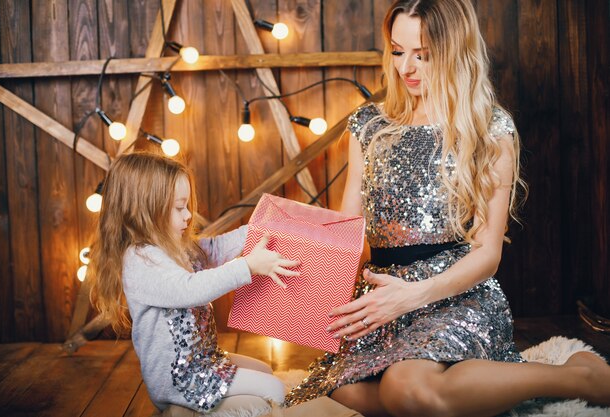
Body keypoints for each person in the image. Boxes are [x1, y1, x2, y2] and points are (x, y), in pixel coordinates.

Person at [285, 1, 610, 416]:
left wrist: (414, 296)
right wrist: (304, 277)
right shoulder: (368, 125)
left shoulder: (490, 128)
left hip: (455, 293)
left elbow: (488, 254)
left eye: (424, 54)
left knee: (405, 390)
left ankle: (578, 376)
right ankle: (471, 389)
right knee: (340, 391)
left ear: (456, 50)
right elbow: (348, 234)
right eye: (398, 50)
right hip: (383, 296)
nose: (407, 68)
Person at [88, 152, 299, 413]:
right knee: (275, 389)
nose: (188, 215)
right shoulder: (141, 259)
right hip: (182, 379)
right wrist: (247, 266)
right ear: (144, 210)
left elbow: (216, 249)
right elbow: (190, 289)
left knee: (265, 370)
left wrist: (259, 231)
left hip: (204, 361)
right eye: (179, 208)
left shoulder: (176, 246)